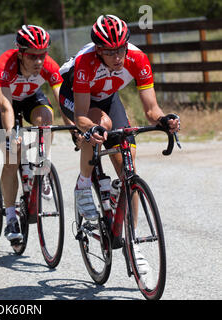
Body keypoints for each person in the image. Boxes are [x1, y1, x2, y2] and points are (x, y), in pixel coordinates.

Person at [60, 15, 180, 274]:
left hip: (107, 98)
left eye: (121, 49)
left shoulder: (138, 59)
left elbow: (151, 109)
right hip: (75, 98)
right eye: (110, 52)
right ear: (99, 50)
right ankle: (83, 186)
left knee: (128, 168)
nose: (118, 57)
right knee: (98, 124)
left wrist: (164, 120)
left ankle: (131, 242)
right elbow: (81, 114)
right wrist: (89, 129)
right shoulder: (85, 62)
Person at [0, 25, 65, 242]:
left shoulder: (49, 66)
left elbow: (63, 102)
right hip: (8, 103)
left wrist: (76, 128)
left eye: (43, 55)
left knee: (46, 119)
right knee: (11, 157)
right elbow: (5, 107)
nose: (39, 61)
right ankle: (11, 216)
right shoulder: (5, 65)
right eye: (33, 56)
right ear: (21, 53)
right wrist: (11, 135)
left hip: (32, 97)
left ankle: (41, 166)